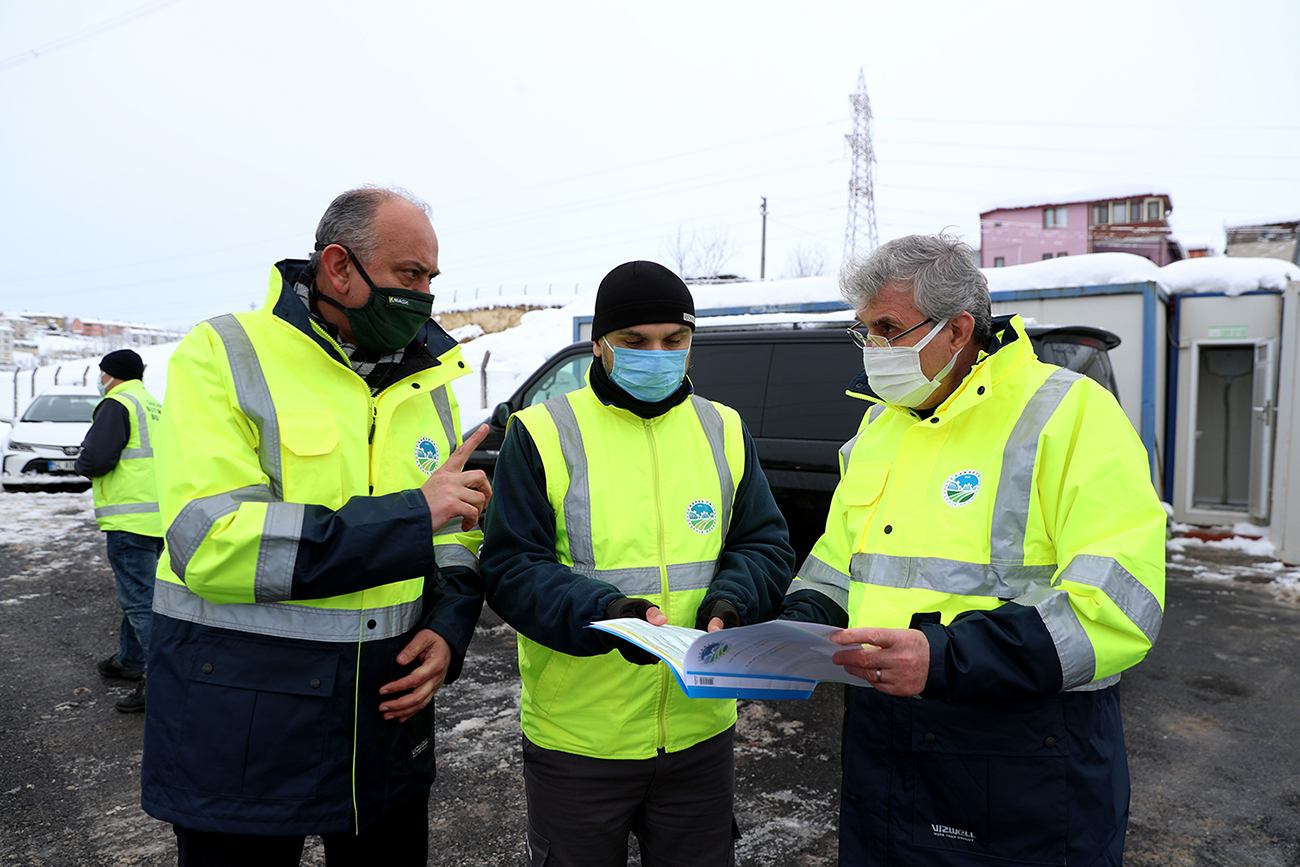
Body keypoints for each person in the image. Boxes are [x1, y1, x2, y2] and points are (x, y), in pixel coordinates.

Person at [781, 233, 1167, 866]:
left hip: (1024, 755)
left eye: (887, 328)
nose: (873, 348)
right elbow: (838, 560)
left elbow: (1117, 608)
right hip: (882, 740)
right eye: (864, 332)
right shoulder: (879, 426)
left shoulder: (1072, 414)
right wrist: (795, 628)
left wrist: (944, 658)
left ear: (958, 330)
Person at [140, 186, 491, 866]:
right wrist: (411, 513)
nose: (424, 297)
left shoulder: (428, 382)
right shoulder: (224, 352)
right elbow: (213, 543)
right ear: (338, 267)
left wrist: (449, 630)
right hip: (244, 727)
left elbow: (453, 536)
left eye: (430, 280)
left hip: (383, 732)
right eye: (408, 276)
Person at [479, 260, 796, 867]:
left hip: (700, 733)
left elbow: (763, 543)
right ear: (600, 345)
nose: (658, 354)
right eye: (635, 342)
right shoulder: (542, 431)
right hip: (580, 740)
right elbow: (513, 567)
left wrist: (733, 600)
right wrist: (607, 615)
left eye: (674, 341)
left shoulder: (722, 428)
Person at [76, 348, 164, 714]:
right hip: (159, 518)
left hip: (130, 520)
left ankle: (160, 681)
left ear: (113, 374)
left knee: (140, 600)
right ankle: (129, 660)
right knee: (140, 592)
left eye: (101, 373)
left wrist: (82, 460)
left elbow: (96, 459)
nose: (100, 379)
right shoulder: (154, 405)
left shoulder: (118, 404)